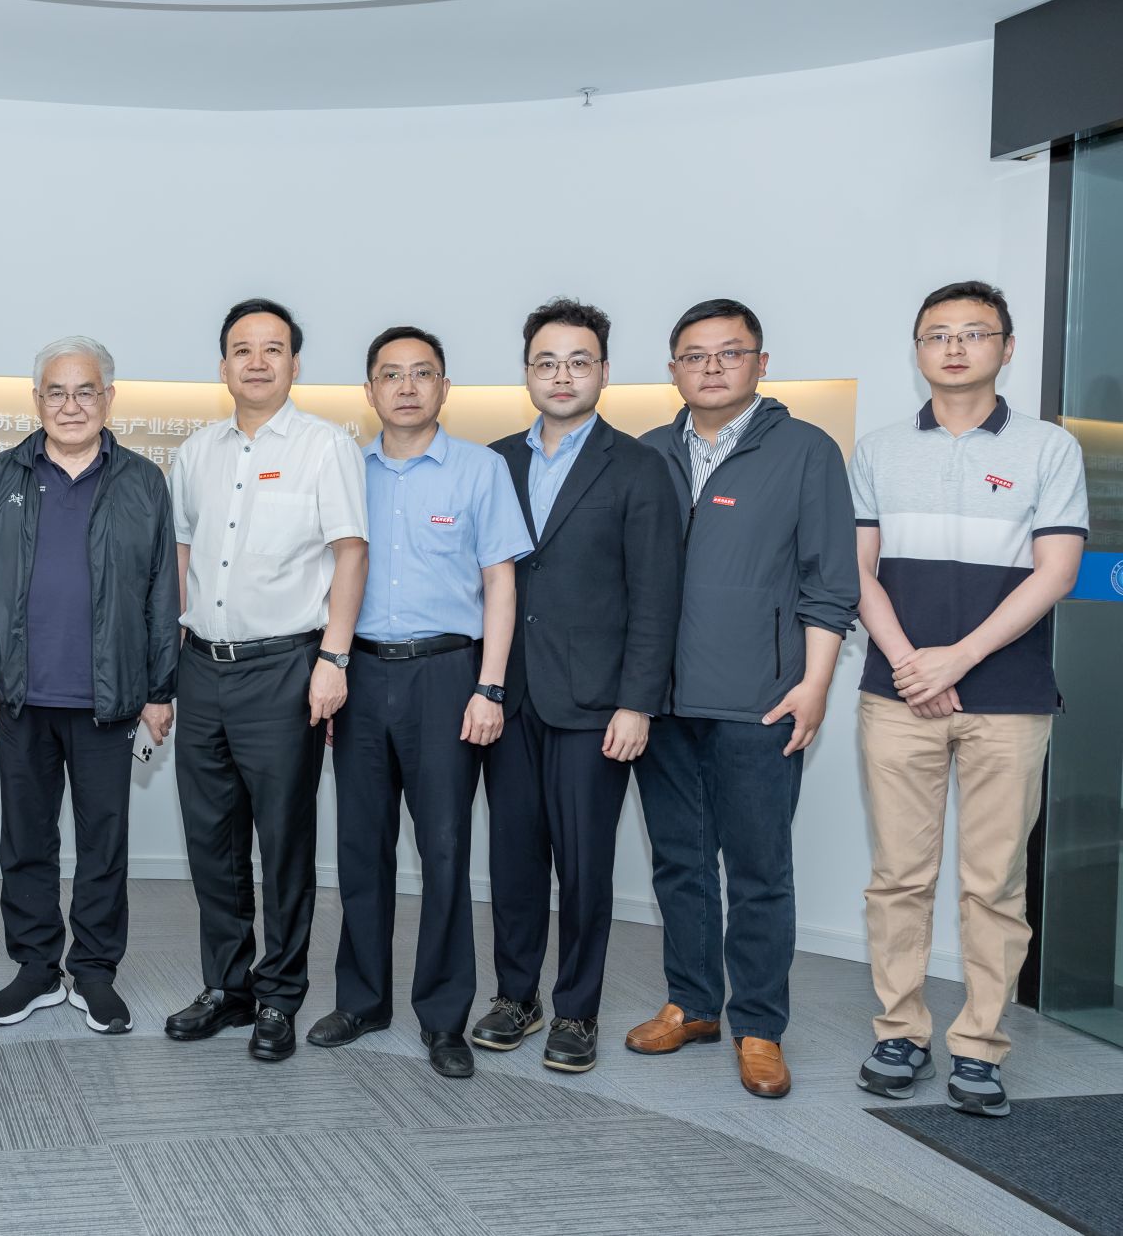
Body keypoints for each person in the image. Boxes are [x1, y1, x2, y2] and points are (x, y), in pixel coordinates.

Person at [851, 281, 1087, 1118]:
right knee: (898, 876)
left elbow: (1057, 572)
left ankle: (980, 1043)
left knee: (993, 881)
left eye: (973, 333)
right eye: (937, 334)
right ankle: (900, 1030)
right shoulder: (879, 449)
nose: (954, 347)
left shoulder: (1049, 447)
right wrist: (909, 661)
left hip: (1008, 696)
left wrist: (959, 656)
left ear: (1007, 347)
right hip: (897, 693)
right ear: (917, 350)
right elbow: (858, 570)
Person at [628, 298, 858, 1099]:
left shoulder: (806, 450)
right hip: (662, 702)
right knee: (678, 862)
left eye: (730, 352)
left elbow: (830, 583)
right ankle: (692, 1003)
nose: (713, 367)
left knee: (760, 870)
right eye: (695, 355)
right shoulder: (648, 452)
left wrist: (814, 685)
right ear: (674, 370)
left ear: (761, 362)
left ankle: (759, 1026)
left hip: (761, 701)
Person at [304, 325, 532, 1079]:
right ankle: (363, 1000)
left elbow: (501, 583)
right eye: (391, 374)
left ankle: (443, 1017)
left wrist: (489, 685)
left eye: (422, 372)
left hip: (447, 675)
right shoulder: (343, 468)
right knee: (360, 846)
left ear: (444, 387)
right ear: (369, 390)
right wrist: (329, 670)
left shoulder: (480, 469)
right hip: (360, 674)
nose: (406, 386)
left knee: (444, 849)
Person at [478, 300, 680, 1073]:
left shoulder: (637, 466)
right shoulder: (494, 461)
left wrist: (638, 702)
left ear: (603, 371)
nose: (561, 375)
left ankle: (576, 1008)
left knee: (585, 864)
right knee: (513, 858)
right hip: (509, 695)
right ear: (527, 372)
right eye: (547, 362)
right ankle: (516, 995)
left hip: (597, 704)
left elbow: (655, 596)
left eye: (578, 361)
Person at [163, 298, 367, 1063]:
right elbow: (183, 552)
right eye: (242, 349)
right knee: (211, 840)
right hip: (201, 666)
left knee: (282, 842)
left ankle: (279, 993)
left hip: (285, 668)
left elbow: (351, 553)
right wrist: (170, 656)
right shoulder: (197, 451)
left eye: (272, 348)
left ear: (294, 363)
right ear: (223, 365)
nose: (256, 361)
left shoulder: (325, 446)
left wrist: (333, 659)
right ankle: (227, 986)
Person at [0, 336, 181, 1033]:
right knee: (26, 840)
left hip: (109, 700)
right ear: (37, 401)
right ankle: (34, 967)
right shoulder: (1, 476)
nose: (71, 404)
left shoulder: (142, 481)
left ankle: (93, 971)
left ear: (109, 398)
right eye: (56, 391)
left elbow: (162, 593)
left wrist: (160, 689)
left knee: (102, 842)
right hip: (21, 696)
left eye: (86, 391)